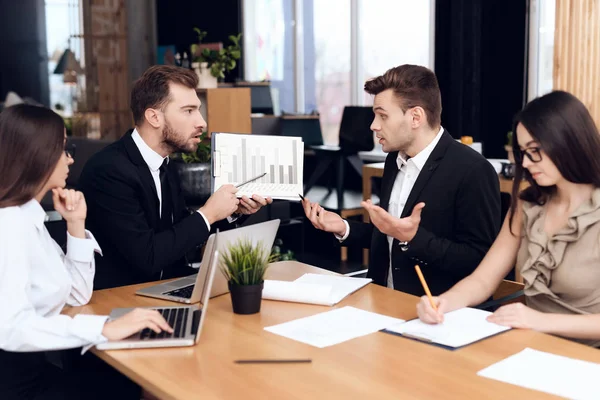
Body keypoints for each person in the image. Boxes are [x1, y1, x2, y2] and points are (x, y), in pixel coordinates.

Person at [0, 104, 172, 399]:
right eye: (64, 148)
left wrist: (76, 224)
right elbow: (11, 328)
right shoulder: (9, 226)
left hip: (35, 372)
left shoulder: (29, 218)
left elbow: (77, 294)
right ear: (38, 156)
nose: (69, 159)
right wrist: (104, 328)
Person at [416, 90, 600, 347]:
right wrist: (444, 302)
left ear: (569, 143)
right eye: (522, 152)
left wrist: (539, 321)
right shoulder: (528, 205)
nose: (525, 163)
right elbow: (483, 280)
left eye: (535, 150)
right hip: (530, 346)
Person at [302, 64, 501, 296]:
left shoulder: (473, 170)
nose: (373, 125)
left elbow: (479, 261)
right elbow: (389, 237)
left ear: (415, 117)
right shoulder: (393, 160)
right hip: (382, 302)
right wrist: (344, 227)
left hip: (436, 313)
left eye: (382, 116)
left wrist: (414, 238)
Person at [79, 65, 272, 289]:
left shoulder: (166, 165)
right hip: (119, 301)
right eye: (188, 111)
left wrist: (232, 212)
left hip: (164, 291)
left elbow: (181, 240)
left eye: (198, 110)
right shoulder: (109, 171)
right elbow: (147, 257)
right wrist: (208, 213)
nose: (202, 122)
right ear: (154, 117)